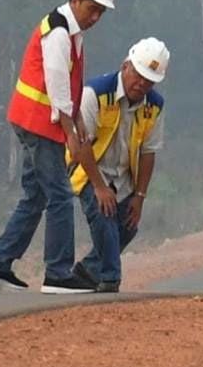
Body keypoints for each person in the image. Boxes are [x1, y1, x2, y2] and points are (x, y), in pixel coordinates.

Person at [0, 0, 115, 294]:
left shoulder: (71, 31)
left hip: (34, 120)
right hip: (40, 123)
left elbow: (70, 86)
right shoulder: (58, 32)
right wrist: (71, 130)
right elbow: (56, 87)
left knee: (36, 195)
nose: (95, 16)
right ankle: (58, 273)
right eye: (91, 7)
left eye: (100, 11)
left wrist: (77, 123)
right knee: (60, 196)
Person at [69, 38, 169, 293]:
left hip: (124, 179)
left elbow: (148, 152)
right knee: (105, 215)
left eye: (149, 80)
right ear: (125, 66)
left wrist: (140, 196)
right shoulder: (95, 93)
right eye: (138, 75)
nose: (142, 84)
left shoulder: (154, 106)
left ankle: (86, 272)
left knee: (127, 226)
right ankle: (110, 279)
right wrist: (100, 187)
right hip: (89, 170)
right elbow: (82, 146)